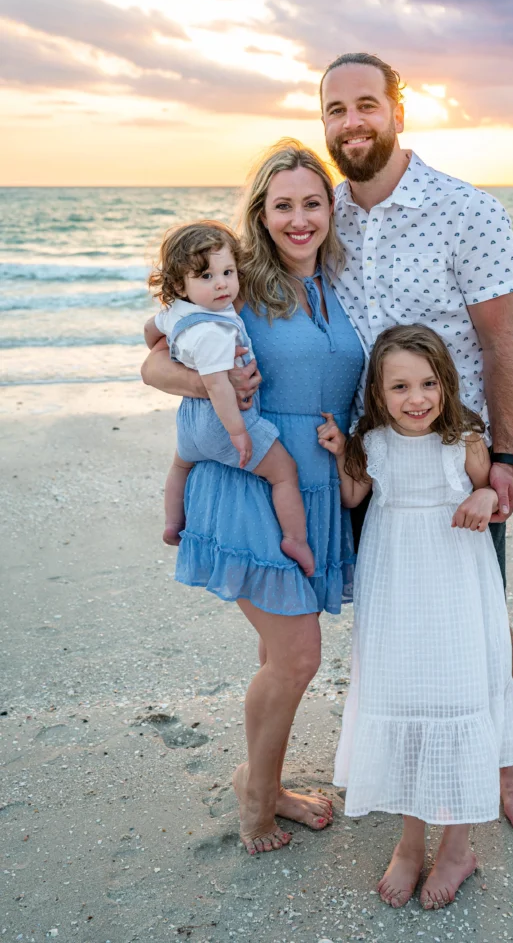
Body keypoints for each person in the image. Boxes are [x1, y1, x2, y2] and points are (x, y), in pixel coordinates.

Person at [320, 51, 513, 833]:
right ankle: (411, 763)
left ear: (397, 110)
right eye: (335, 110)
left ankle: (506, 766)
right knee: (395, 616)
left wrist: (508, 457)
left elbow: (501, 342)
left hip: (458, 458)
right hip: (373, 459)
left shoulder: (468, 210)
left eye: (365, 105)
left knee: (481, 615)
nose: (351, 122)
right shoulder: (324, 219)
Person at [140, 141, 365, 854]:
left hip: (320, 484)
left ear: (332, 209)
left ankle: (262, 782)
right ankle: (258, 798)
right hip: (250, 482)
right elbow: (153, 355)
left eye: (313, 202)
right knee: (296, 657)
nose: (300, 219)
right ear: (260, 214)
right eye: (283, 205)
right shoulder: (237, 286)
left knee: (288, 653)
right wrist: (211, 384)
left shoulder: (344, 283)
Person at [317, 324, 513, 909]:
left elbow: (489, 494)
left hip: (456, 582)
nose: (417, 398)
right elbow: (354, 498)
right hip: (396, 584)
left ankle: (457, 847)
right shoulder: (373, 443)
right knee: (404, 695)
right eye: (400, 386)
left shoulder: (465, 437)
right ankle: (410, 844)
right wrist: (339, 453)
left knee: (456, 695)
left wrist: (484, 498)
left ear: (445, 382)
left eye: (429, 383)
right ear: (378, 394)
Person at [145, 219, 313, 578]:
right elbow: (219, 386)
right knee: (283, 474)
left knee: (180, 466)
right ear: (180, 284)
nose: (221, 283)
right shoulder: (215, 330)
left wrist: (169, 348)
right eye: (205, 276)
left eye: (227, 272)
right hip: (225, 421)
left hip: (190, 423)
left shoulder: (176, 313)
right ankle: (295, 538)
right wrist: (238, 431)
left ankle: (173, 523)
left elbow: (151, 330)